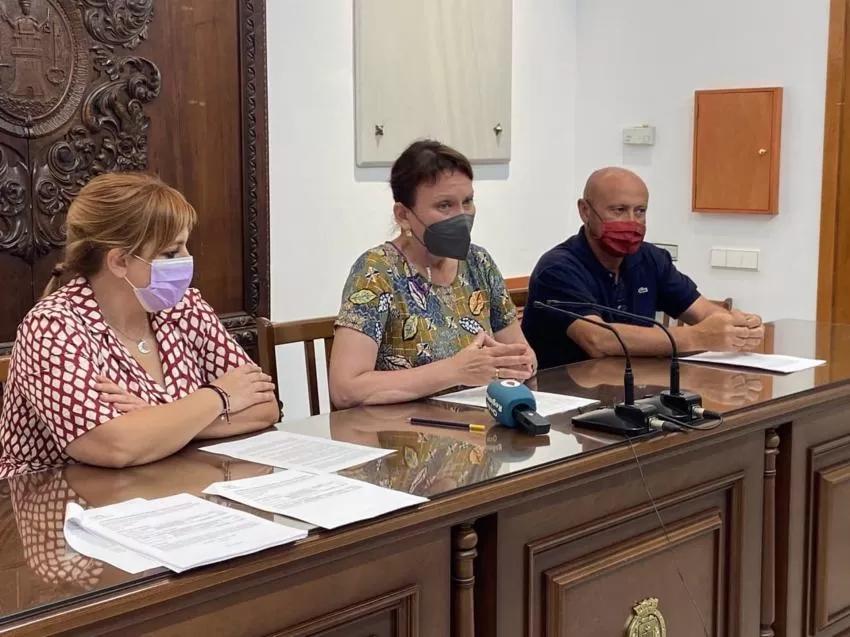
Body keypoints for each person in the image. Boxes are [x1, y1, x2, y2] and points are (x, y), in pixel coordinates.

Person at [0, 173, 279, 476]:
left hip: (171, 483)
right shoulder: (52, 327)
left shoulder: (184, 306)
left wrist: (156, 418)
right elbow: (114, 446)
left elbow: (265, 406)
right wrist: (218, 396)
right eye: (171, 252)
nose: (187, 259)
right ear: (119, 261)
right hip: (53, 497)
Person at [330, 140, 536, 408]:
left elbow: (524, 356)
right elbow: (346, 389)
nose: (462, 216)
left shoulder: (478, 262)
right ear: (403, 215)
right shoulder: (376, 271)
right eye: (445, 205)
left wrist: (518, 363)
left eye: (467, 202)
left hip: (480, 423)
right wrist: (454, 370)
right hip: (404, 427)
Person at [522, 167, 765, 369]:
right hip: (568, 397)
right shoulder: (557, 268)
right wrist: (698, 337)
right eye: (619, 210)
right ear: (585, 211)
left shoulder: (650, 258)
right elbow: (599, 340)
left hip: (637, 389)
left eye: (640, 211)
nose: (632, 222)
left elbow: (703, 312)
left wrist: (737, 326)